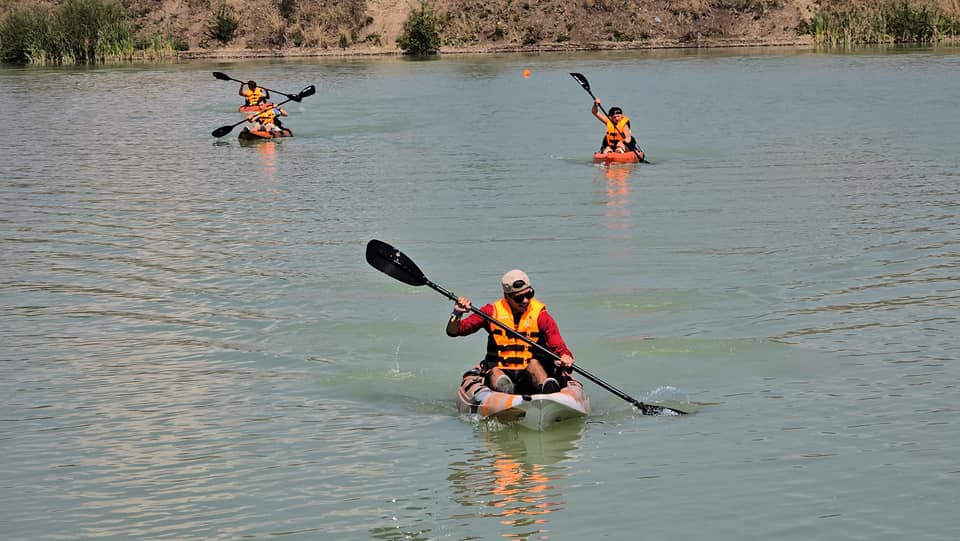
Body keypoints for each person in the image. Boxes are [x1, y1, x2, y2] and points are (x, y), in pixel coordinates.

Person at [446, 269, 575, 395]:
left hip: (530, 375)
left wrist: (565, 356)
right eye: (519, 298)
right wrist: (457, 313)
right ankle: (504, 393)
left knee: (534, 363)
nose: (525, 300)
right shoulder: (490, 312)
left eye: (529, 294)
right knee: (495, 370)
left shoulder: (541, 316)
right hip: (502, 371)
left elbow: (557, 345)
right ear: (507, 297)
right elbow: (455, 331)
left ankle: (548, 392)